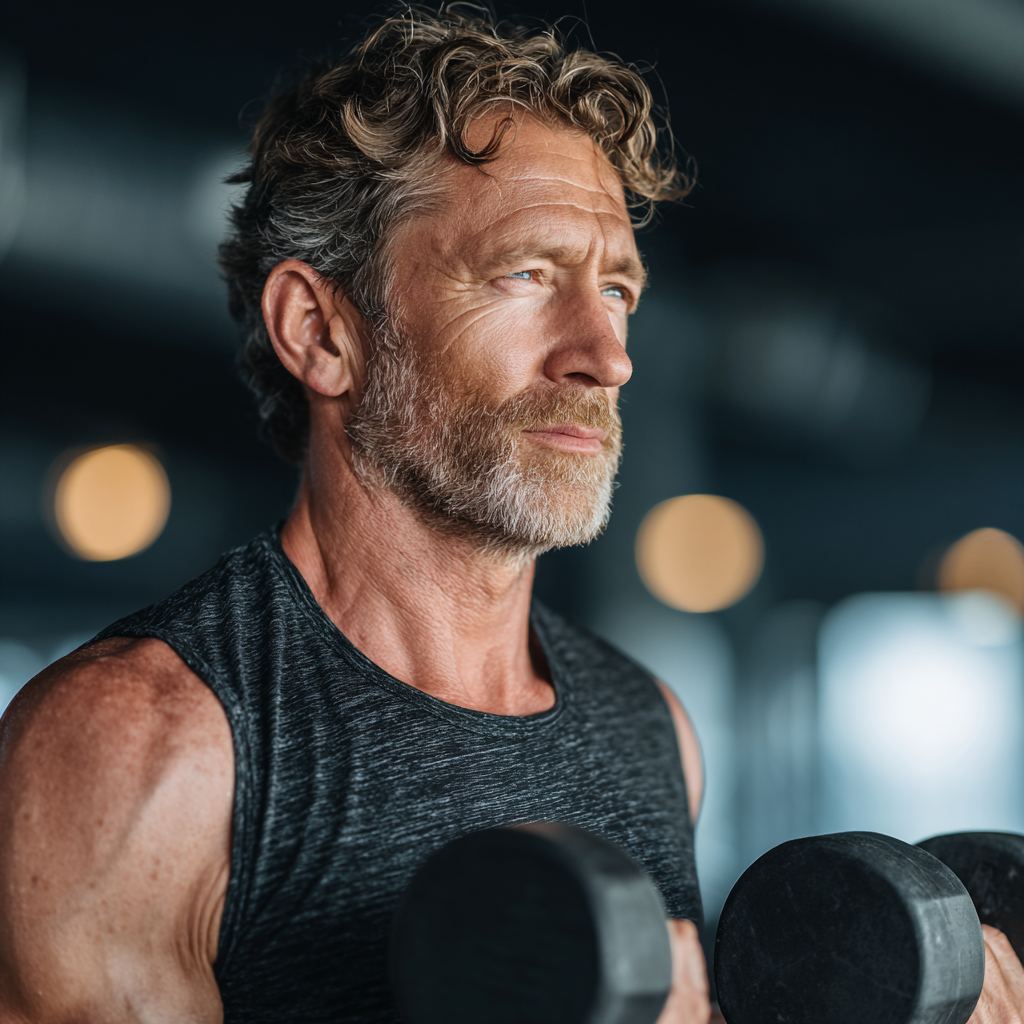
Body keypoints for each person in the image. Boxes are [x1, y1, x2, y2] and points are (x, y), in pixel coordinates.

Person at [0, 9, 1020, 1024]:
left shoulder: (648, 725)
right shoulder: (143, 746)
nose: (605, 354)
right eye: (524, 274)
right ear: (321, 332)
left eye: (616, 288)